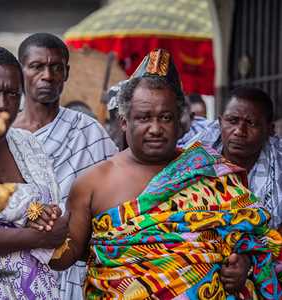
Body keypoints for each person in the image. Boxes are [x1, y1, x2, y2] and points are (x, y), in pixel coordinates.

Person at [33, 49, 282, 299]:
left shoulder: (212, 172)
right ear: (124, 121)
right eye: (143, 118)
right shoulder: (91, 183)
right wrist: (44, 231)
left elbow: (256, 241)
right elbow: (65, 256)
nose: (155, 128)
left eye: (165, 117)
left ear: (179, 120)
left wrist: (244, 265)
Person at [13, 33, 118, 299]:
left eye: (56, 67)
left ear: (66, 73)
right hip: (14, 268)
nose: (47, 75)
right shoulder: (4, 135)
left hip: (75, 269)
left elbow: (115, 200)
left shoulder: (89, 132)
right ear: (20, 71)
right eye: (36, 66)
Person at [0, 46, 69, 299]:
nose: (2, 104)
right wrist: (33, 237)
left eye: (12, 94)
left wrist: (46, 216)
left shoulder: (27, 144)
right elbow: (43, 236)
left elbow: (52, 214)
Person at [182, 87, 282, 229]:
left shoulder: (278, 163)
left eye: (251, 123)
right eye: (232, 120)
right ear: (220, 122)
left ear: (270, 130)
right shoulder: (194, 155)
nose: (239, 131)